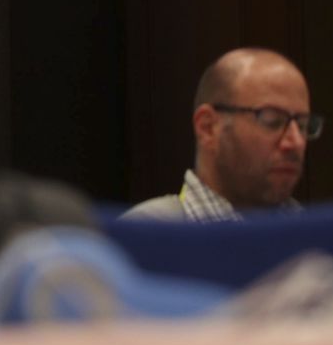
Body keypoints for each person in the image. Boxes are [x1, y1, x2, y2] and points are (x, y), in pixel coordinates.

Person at [123, 48, 322, 222]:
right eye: (272, 120)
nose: (295, 142)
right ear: (208, 127)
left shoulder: (315, 237)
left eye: (303, 125)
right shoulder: (148, 234)